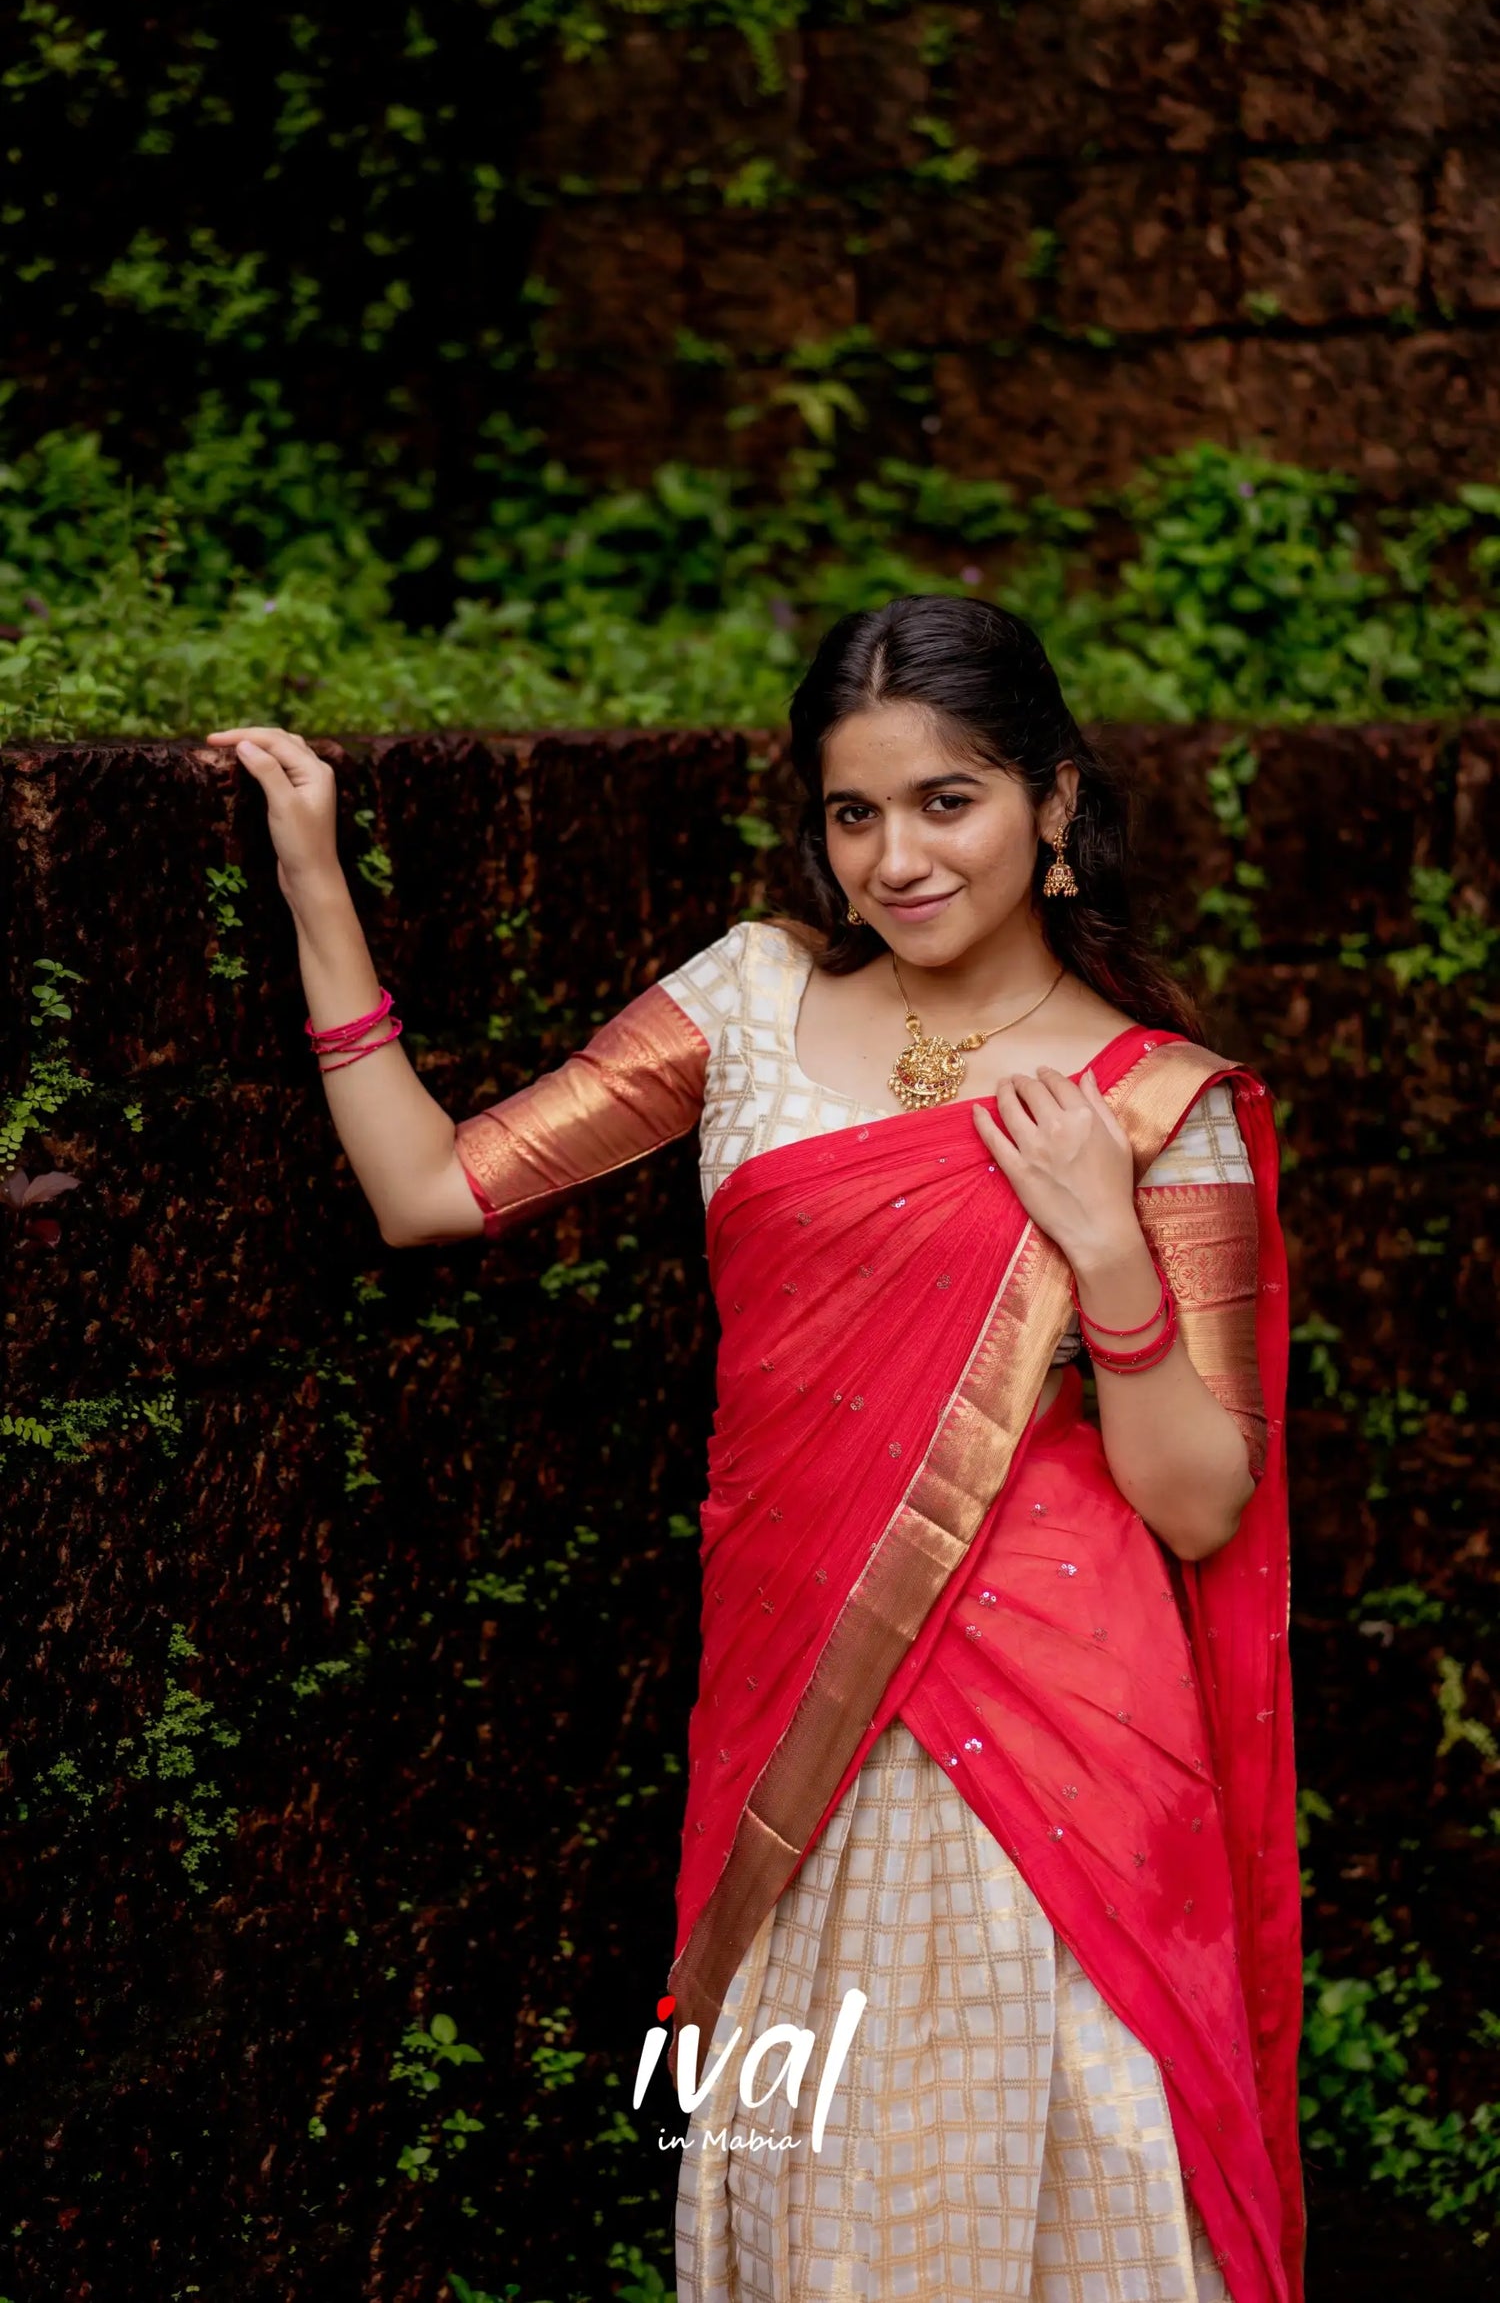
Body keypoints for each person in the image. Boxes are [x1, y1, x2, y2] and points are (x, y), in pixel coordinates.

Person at [203, 593, 1302, 2303]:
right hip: (792, 1690)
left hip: (1059, 1737)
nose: (897, 859)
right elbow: (430, 1191)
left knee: (1052, 2170)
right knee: (822, 2190)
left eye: (948, 802)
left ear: (1057, 803)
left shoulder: (1159, 1104)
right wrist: (313, 884)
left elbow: (1200, 1499)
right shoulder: (751, 993)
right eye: (855, 813)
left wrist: (1108, 1253)